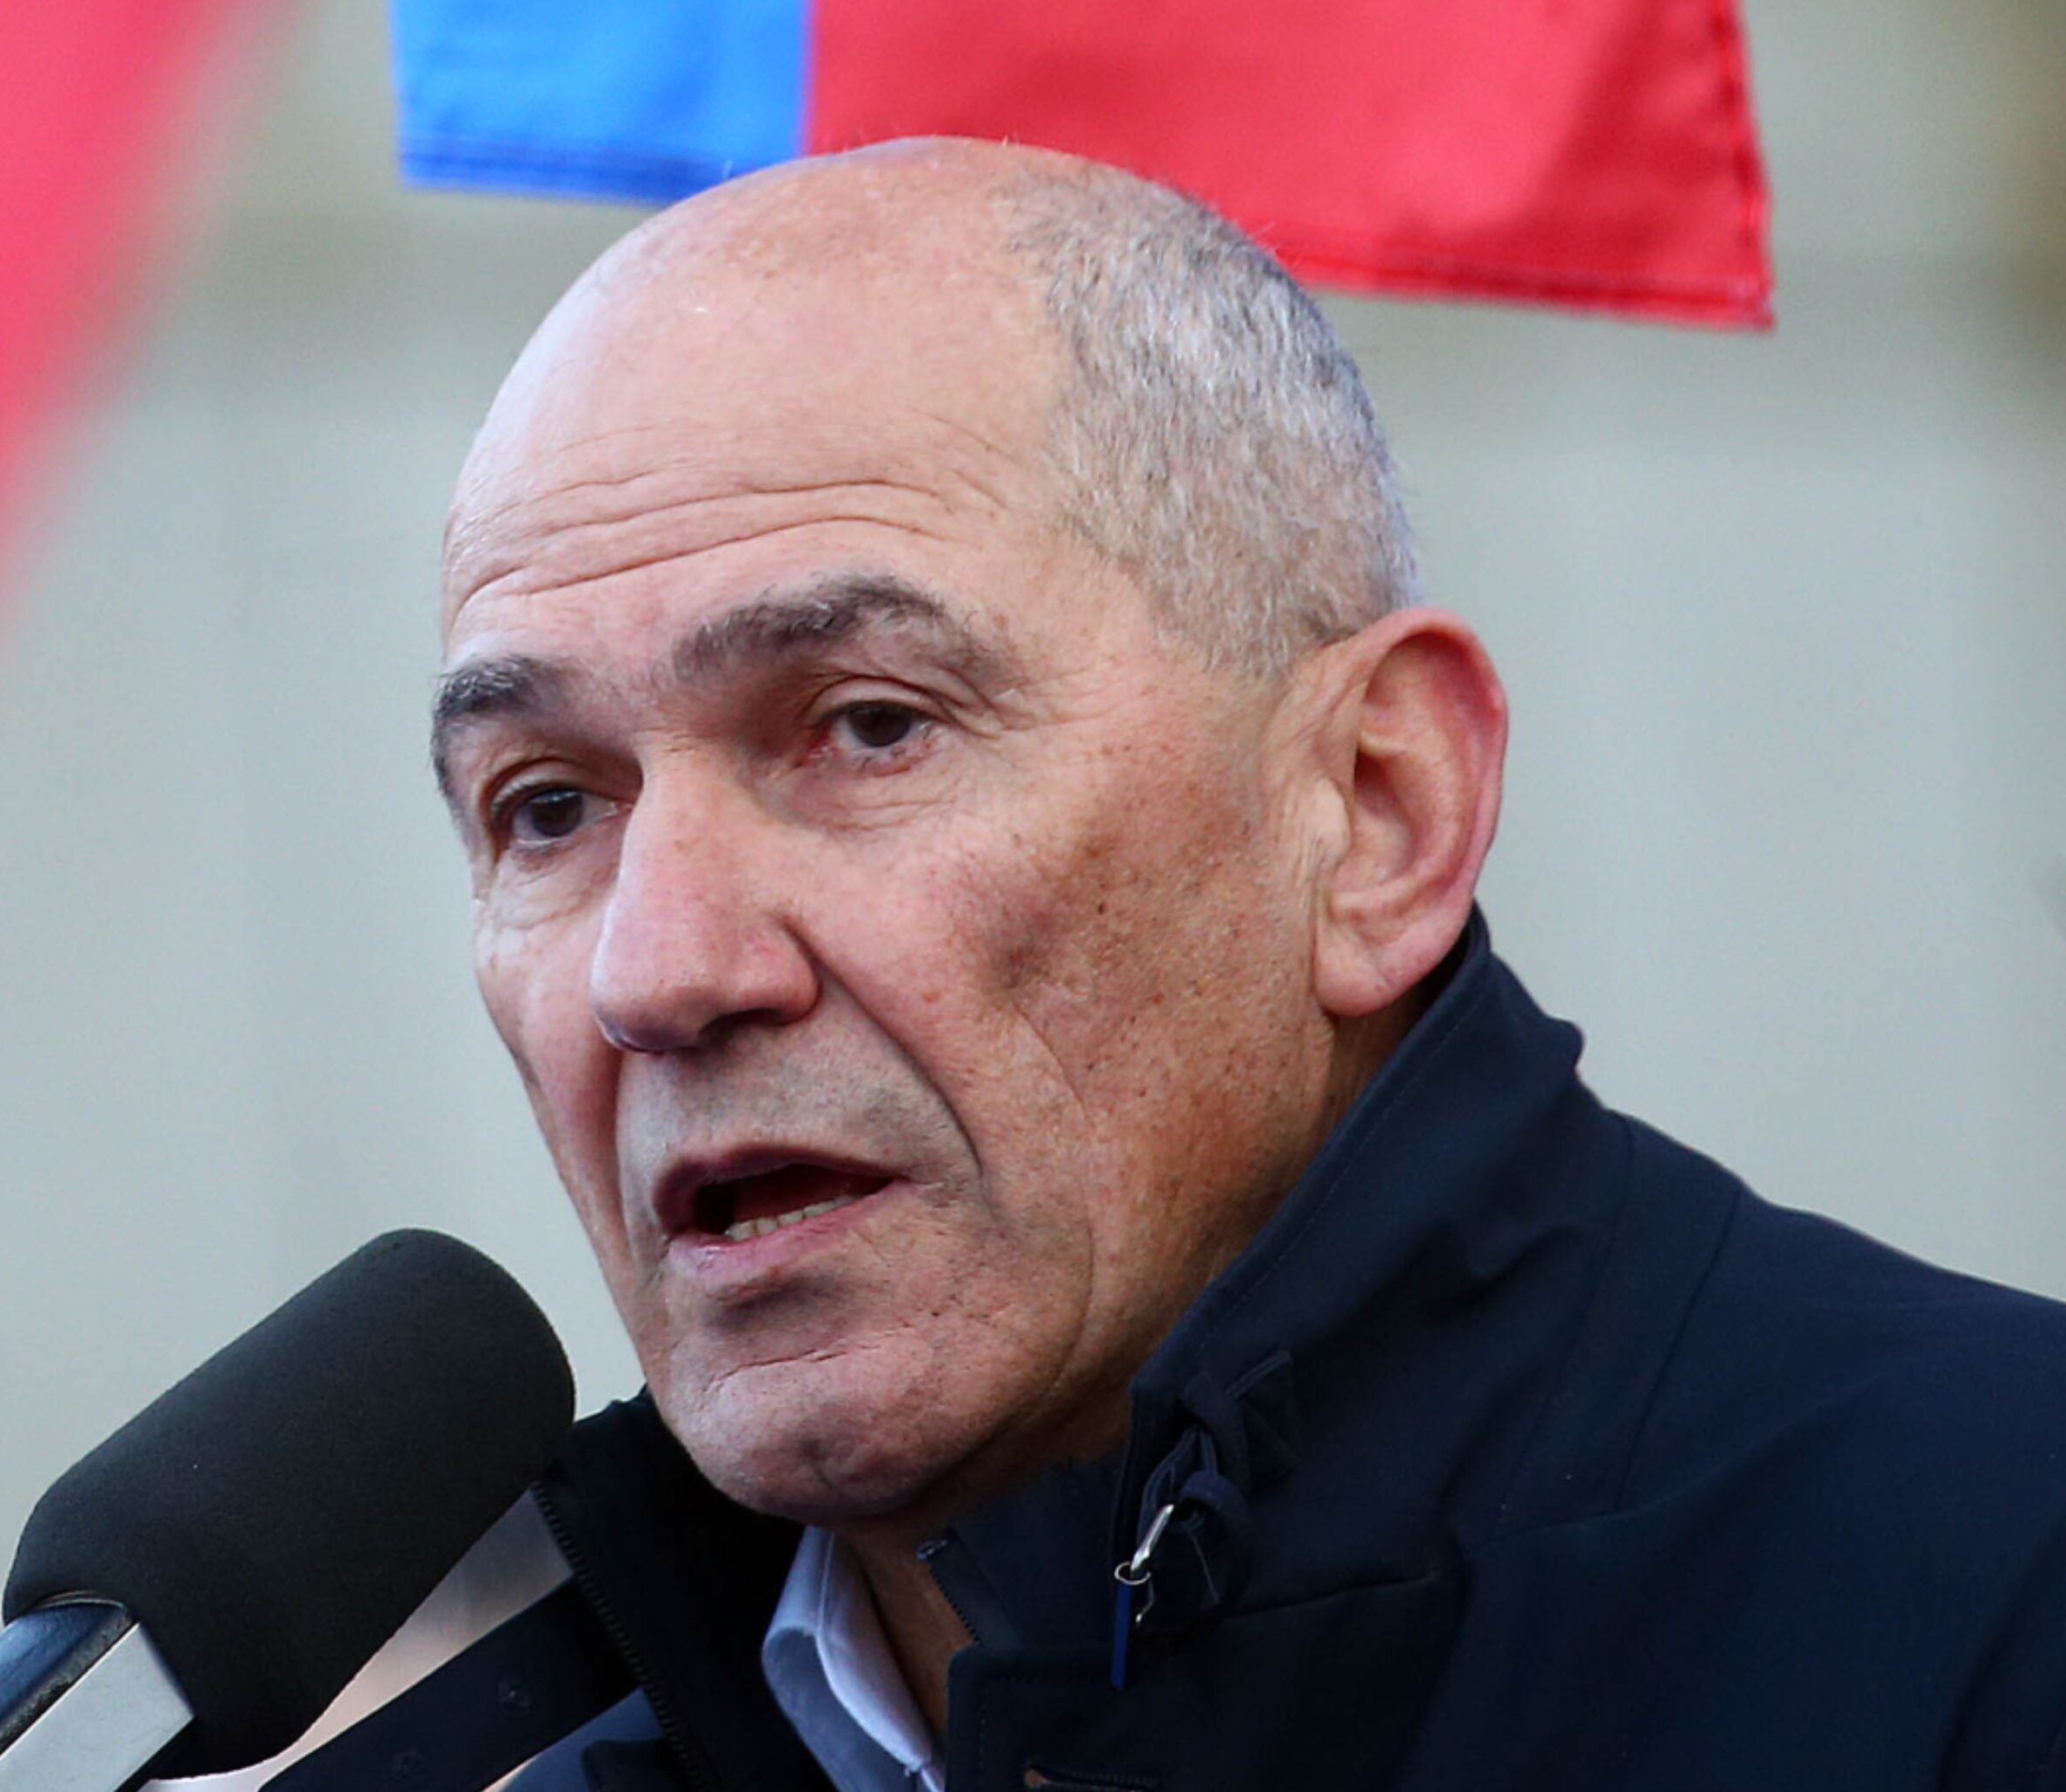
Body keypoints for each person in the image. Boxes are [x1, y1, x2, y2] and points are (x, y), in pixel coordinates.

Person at [430, 138, 2066, 1792]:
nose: (658, 968)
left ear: (1374, 811)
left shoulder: (2005, 1598)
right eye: (547, 806)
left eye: (869, 726)